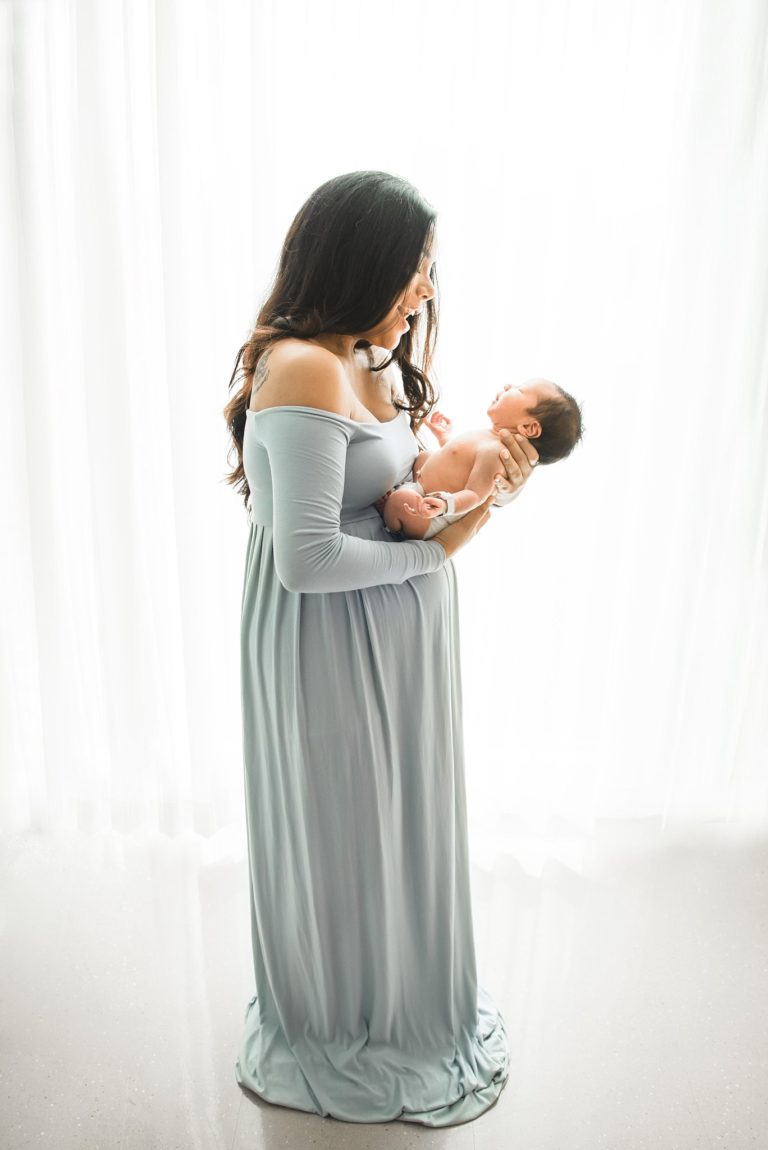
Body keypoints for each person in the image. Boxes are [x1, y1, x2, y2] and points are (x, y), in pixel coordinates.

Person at [222, 170, 539, 1127]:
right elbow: (308, 561)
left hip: (397, 638)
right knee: (346, 829)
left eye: (431, 271)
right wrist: (436, 556)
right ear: (359, 264)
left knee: (400, 821)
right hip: (328, 642)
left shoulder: (368, 354)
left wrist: (485, 490)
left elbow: (399, 494)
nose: (426, 292)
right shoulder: (303, 368)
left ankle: (407, 1005)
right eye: (414, 270)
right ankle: (343, 1016)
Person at [380, 378, 583, 540]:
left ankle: (390, 515)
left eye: (520, 390)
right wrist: (445, 439)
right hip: (425, 491)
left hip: (431, 513)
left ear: (529, 428)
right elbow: (459, 463)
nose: (507, 385)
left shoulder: (496, 453)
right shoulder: (489, 438)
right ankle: (401, 500)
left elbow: (474, 495)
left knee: (401, 501)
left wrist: (444, 505)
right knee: (425, 457)